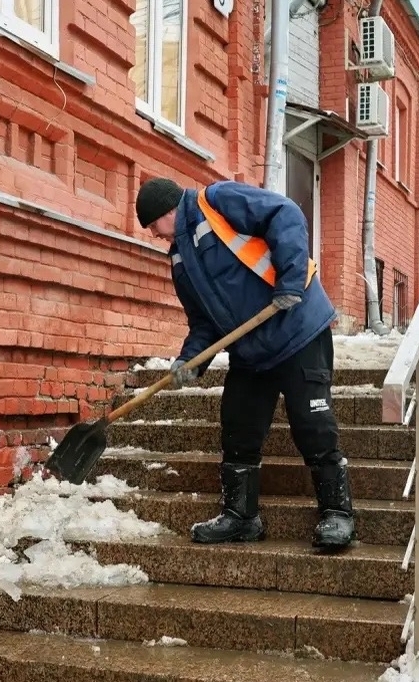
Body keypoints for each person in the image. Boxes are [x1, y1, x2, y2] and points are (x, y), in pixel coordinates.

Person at [133, 177, 355, 550]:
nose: (155, 234)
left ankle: (338, 513)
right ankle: (241, 517)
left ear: (168, 212)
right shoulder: (179, 258)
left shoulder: (217, 201)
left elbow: (285, 214)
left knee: (312, 423)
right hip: (252, 349)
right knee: (239, 424)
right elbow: (204, 322)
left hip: (298, 327)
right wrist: (190, 361)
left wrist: (290, 281)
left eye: (154, 225)